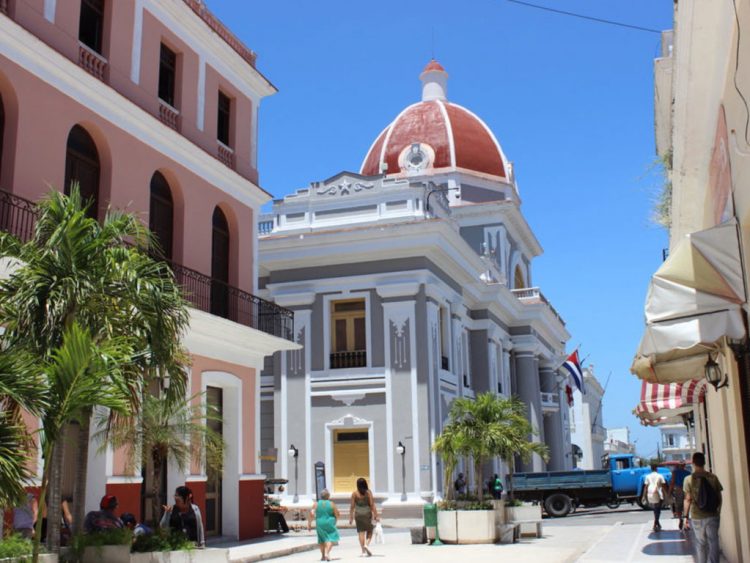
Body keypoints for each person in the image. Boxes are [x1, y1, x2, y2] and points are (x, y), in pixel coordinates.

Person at [684, 452, 722, 563]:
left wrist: (685, 517)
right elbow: (719, 497)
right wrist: (718, 512)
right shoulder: (713, 477)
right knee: (714, 541)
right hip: (713, 515)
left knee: (700, 543)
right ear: (704, 462)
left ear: (693, 463)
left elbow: (687, 499)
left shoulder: (688, 479)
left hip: (697, 516)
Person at [349, 477, 378, 557]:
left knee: (361, 532)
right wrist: (376, 515)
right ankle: (366, 545)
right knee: (370, 531)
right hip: (367, 514)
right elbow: (372, 505)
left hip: (358, 514)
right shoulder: (368, 492)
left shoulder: (354, 494)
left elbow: (352, 506)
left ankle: (363, 551)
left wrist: (351, 517)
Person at [308, 489, 340, 562]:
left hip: (319, 523)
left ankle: (322, 556)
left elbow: (311, 514)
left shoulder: (316, 504)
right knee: (331, 538)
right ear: (328, 496)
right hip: (329, 523)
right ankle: (327, 553)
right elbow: (337, 514)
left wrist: (309, 524)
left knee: (321, 539)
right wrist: (336, 520)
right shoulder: (332, 504)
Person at [643, 463, 667, 532]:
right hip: (658, 493)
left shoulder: (647, 476)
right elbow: (663, 484)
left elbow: (646, 486)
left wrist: (644, 495)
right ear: (656, 468)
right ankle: (655, 523)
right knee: (658, 508)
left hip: (650, 493)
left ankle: (657, 523)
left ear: (651, 469)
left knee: (655, 508)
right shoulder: (660, 476)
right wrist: (667, 492)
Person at [668, 462, 690, 530]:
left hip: (678, 489)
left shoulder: (675, 472)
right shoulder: (688, 473)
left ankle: (680, 519)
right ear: (684, 465)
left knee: (678, 505)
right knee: (687, 504)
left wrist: (670, 491)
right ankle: (686, 520)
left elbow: (672, 482)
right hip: (686, 490)